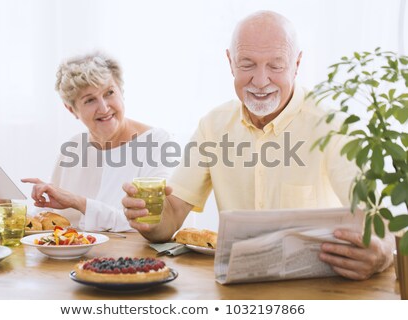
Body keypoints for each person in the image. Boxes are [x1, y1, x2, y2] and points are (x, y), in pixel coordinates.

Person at [122, 11, 394, 280]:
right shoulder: (212, 126)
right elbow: (171, 216)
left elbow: (378, 218)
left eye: (276, 66)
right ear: (230, 62)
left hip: (313, 293)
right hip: (233, 292)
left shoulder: (332, 126)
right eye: (247, 64)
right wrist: (148, 217)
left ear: (297, 64)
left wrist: (381, 252)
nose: (261, 81)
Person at [0, 52, 171, 232]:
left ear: (121, 92)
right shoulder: (73, 149)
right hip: (78, 262)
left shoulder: (156, 143)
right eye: (89, 100)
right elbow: (54, 223)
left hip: (134, 262)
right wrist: (5, 203)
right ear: (72, 109)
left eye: (109, 93)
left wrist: (78, 202)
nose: (104, 108)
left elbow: (150, 224)